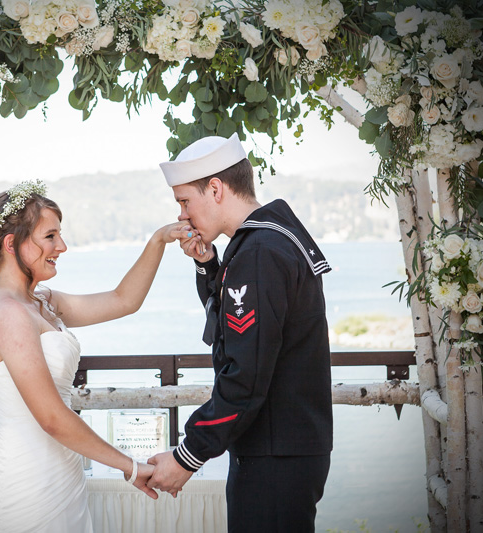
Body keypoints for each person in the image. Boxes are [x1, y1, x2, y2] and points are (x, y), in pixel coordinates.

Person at [0, 181, 184, 532]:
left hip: (62, 476)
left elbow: (124, 300)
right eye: (50, 236)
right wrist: (132, 466)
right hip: (24, 487)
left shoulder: (42, 302)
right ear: (11, 244)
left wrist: (158, 241)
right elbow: (50, 417)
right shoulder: (6, 313)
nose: (61, 247)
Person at [146, 134, 334, 532]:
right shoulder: (269, 238)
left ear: (215, 189)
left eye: (184, 202)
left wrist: (187, 455)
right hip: (283, 448)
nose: (182, 216)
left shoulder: (259, 252)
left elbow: (245, 375)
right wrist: (207, 265)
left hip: (274, 455)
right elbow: (239, 327)